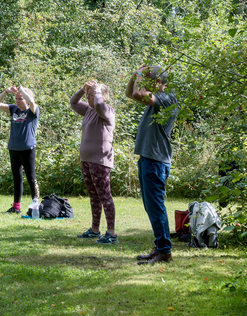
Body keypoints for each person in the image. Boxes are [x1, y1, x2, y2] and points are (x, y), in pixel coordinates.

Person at [125, 65, 179, 265]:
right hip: (148, 159)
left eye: (148, 80)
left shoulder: (168, 99)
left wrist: (139, 75)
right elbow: (130, 93)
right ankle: (160, 247)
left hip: (156, 161)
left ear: (158, 82)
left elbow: (138, 92)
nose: (144, 84)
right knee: (151, 206)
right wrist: (135, 75)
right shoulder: (156, 99)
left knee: (156, 207)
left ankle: (164, 251)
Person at [70, 81, 117, 244]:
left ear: (102, 95)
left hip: (100, 160)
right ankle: (95, 230)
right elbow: (73, 102)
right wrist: (82, 90)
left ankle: (111, 233)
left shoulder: (106, 110)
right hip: (87, 159)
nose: (89, 97)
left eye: (92, 94)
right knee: (93, 196)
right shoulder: (89, 110)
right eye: (88, 95)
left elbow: (99, 104)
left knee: (105, 195)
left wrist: (96, 90)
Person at [0, 85, 40, 214]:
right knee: (17, 178)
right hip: (13, 148)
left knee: (31, 178)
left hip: (27, 148)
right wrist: (6, 91)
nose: (17, 101)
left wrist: (22, 91)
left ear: (26, 99)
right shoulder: (14, 109)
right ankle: (16, 207)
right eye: (16, 98)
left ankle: (35, 207)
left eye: (20, 98)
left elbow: (31, 102)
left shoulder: (32, 111)